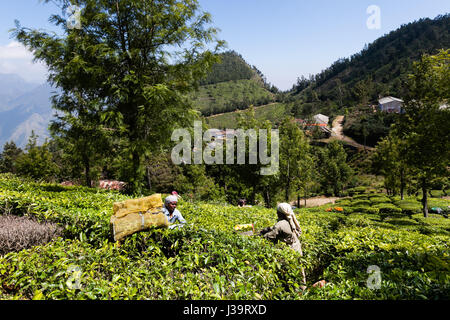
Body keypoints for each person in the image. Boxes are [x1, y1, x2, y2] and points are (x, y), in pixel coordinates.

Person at [260, 203, 307, 287]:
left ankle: (293, 291)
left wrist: (260, 236)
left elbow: (270, 236)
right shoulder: (290, 220)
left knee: (290, 272)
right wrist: (269, 228)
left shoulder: (280, 224)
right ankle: (302, 288)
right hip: (297, 248)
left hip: (290, 251)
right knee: (299, 270)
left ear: (280, 213)